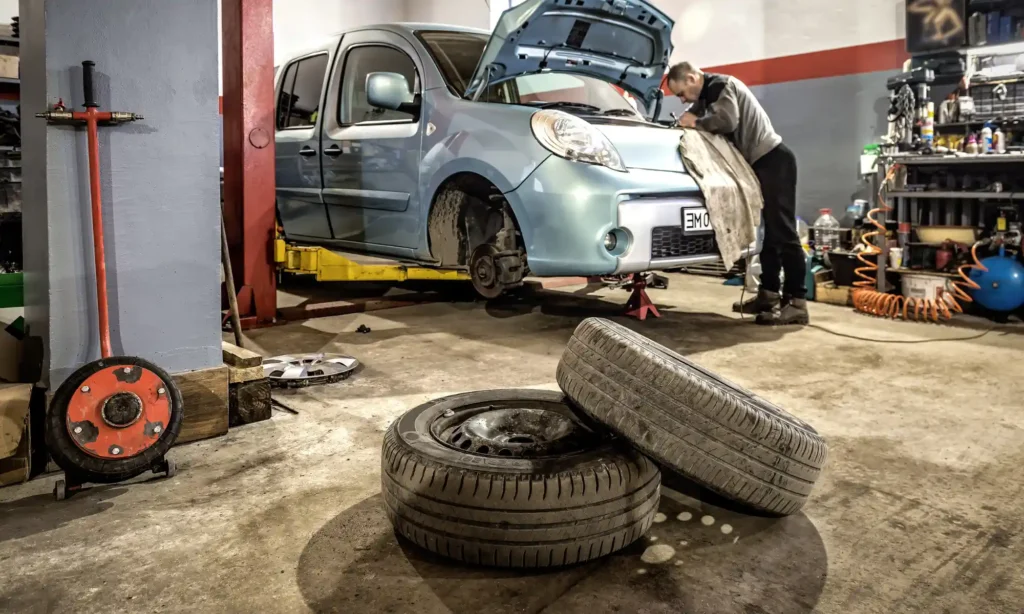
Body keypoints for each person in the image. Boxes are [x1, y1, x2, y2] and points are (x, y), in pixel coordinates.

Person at [666, 62, 808, 326]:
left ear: (691, 77)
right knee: (767, 234)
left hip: (774, 160)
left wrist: (695, 122)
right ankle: (768, 295)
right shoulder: (707, 95)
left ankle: (797, 302)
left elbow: (727, 121)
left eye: (681, 93)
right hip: (759, 165)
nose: (682, 100)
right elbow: (688, 118)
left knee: (784, 232)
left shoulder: (721, 84)